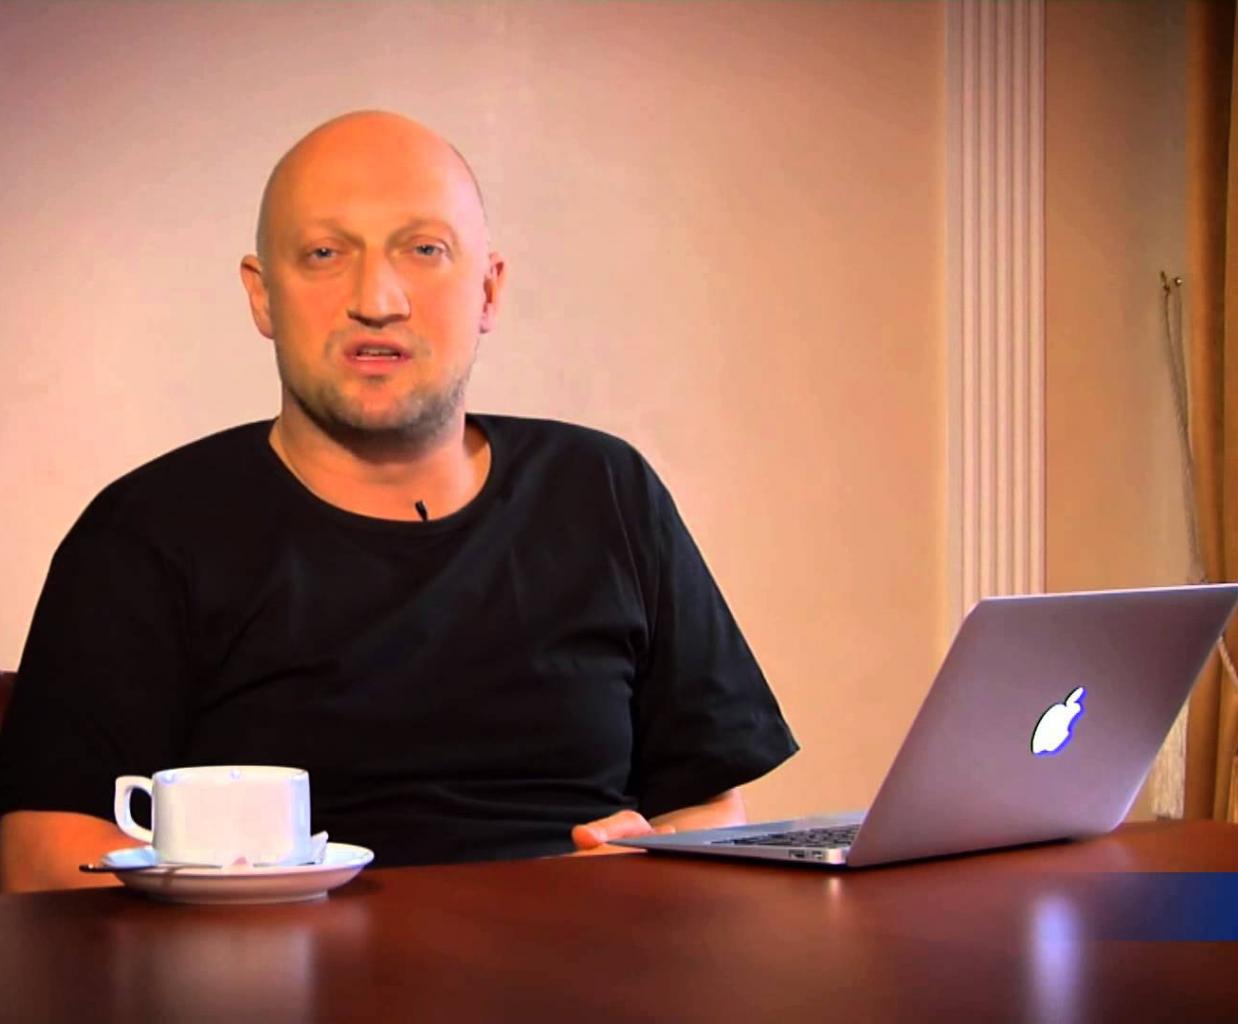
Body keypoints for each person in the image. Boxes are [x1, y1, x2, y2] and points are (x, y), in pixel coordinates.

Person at [0, 111, 797, 892]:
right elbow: (43, 854)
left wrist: (651, 878)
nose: (377, 299)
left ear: (488, 291)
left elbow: (704, 806)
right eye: (324, 253)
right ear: (263, 296)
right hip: (274, 964)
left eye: (424, 250)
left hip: (590, 956)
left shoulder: (605, 490)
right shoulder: (147, 532)